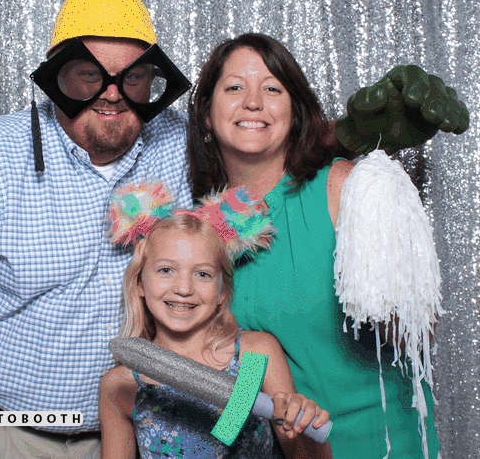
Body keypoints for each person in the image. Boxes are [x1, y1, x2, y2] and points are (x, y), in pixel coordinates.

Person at [0, 0, 466, 458]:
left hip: (130, 430)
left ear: (156, 83)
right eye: (87, 76)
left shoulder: (181, 148)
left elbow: (263, 150)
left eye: (133, 78)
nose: (112, 96)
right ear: (55, 76)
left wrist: (354, 143)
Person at [186, 33, 457, 458]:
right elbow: (247, 375)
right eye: (234, 87)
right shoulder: (203, 232)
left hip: (379, 446)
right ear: (206, 113)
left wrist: (390, 286)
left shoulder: (343, 188)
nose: (253, 102)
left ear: (294, 112)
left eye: (272, 89)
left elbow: (415, 335)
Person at [99, 184, 332, 459]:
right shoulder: (121, 384)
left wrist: (306, 425)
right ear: (139, 283)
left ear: (222, 290)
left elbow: (301, 454)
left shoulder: (254, 355)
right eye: (166, 270)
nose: (183, 288)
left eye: (203, 274)